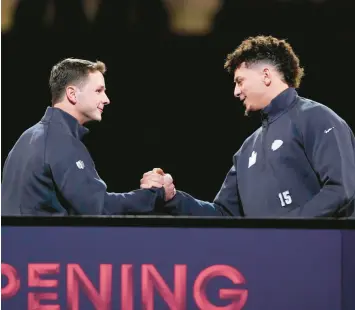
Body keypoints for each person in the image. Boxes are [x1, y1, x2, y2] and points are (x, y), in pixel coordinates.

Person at [141, 35, 355, 217]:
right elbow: (223, 214)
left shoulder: (318, 118)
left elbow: (342, 190)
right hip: (264, 261)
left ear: (266, 75)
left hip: (322, 259)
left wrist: (287, 231)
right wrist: (173, 198)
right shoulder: (246, 150)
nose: (236, 91)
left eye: (240, 81)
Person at [1, 58, 175, 215]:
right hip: (41, 248)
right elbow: (99, 208)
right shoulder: (61, 141)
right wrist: (156, 194)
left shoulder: (29, 136)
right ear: (72, 94)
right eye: (98, 91)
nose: (106, 99)